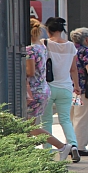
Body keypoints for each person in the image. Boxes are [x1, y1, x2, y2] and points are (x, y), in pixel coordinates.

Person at [26, 18, 73, 160]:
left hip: (33, 91)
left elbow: (30, 72)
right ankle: (27, 154)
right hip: (43, 89)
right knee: (30, 126)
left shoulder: (29, 49)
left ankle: (62, 146)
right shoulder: (41, 47)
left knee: (30, 127)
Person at [40, 17, 81, 163]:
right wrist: (76, 86)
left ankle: (47, 152)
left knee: (46, 120)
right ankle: (74, 145)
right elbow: (73, 69)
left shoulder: (44, 44)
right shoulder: (71, 46)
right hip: (66, 87)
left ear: (48, 29)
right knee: (65, 119)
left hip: (48, 87)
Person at [69, 27, 88, 156]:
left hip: (71, 89)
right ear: (86, 39)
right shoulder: (86, 51)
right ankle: (80, 146)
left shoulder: (70, 49)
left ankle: (71, 144)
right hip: (84, 90)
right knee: (83, 118)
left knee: (72, 117)